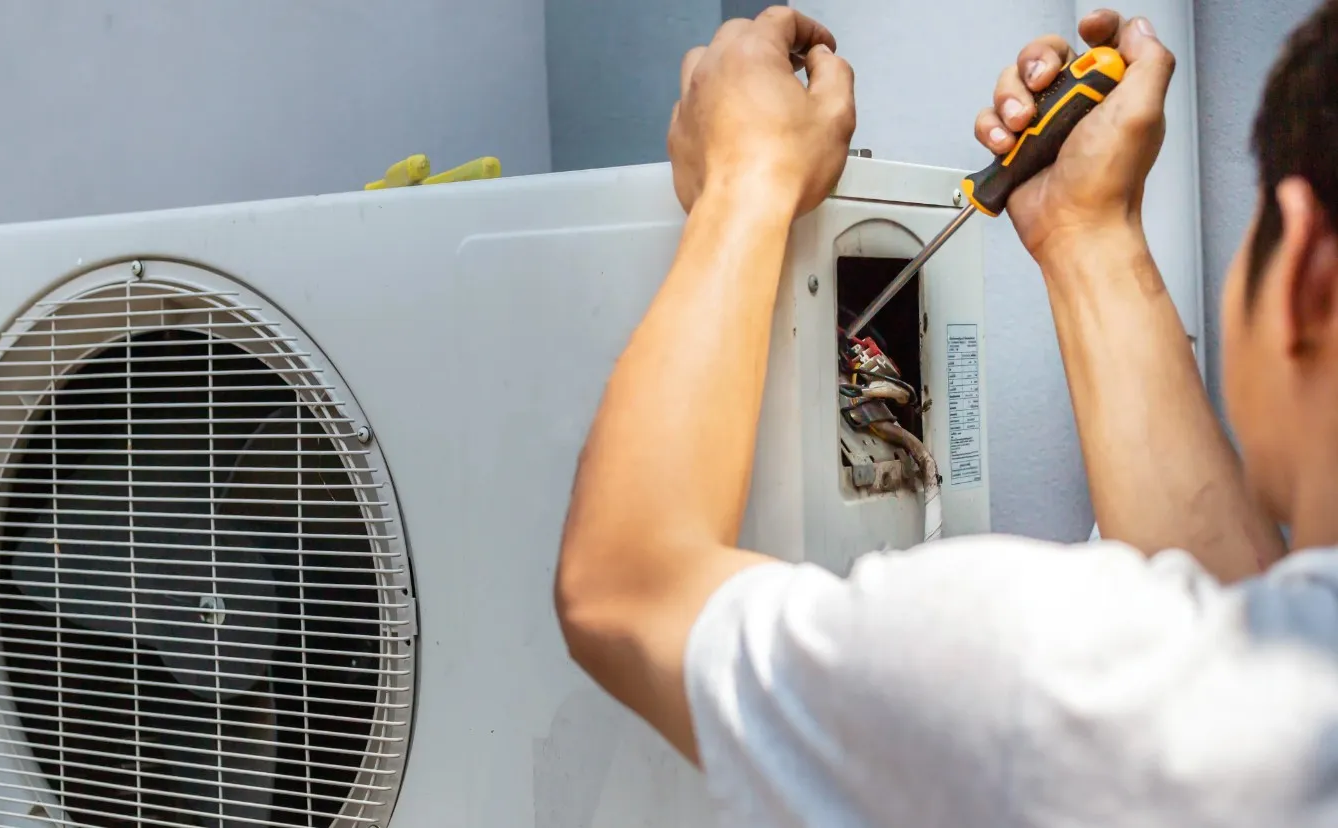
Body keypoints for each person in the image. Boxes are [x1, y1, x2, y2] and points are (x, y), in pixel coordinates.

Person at [554, 2, 1338, 826]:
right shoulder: (1280, 693)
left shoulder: (1036, 673)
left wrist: (746, 179)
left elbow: (625, 592)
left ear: (1306, 277)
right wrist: (1086, 232)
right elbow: (1220, 642)